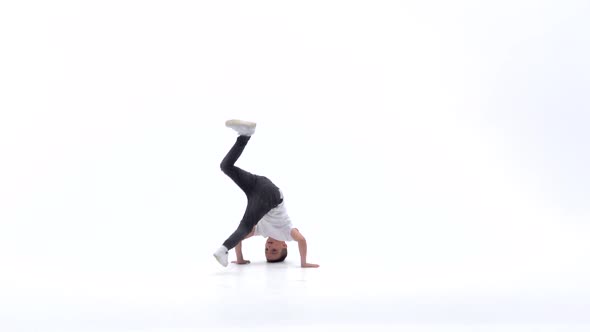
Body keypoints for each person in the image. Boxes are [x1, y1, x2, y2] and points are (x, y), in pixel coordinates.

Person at [213, 119, 319, 268]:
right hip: (272, 196)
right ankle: (223, 249)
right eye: (274, 250)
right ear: (284, 245)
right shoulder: (286, 232)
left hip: (258, 186)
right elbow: (301, 240)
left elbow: (240, 237)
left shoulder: (260, 231)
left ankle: (245, 135)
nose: (269, 246)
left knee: (226, 167)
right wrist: (304, 262)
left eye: (267, 249)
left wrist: (241, 259)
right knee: (245, 225)